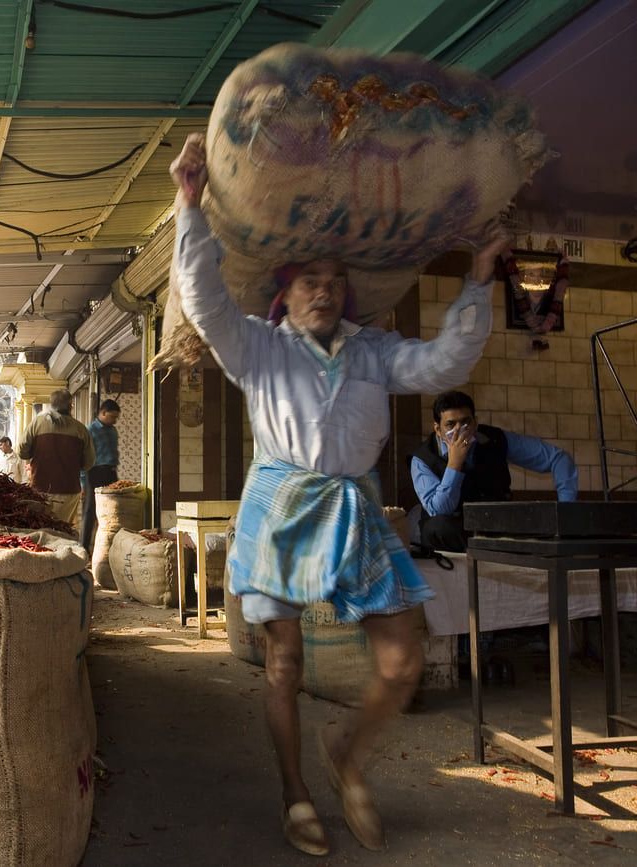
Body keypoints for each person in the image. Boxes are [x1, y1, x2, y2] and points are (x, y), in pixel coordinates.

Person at [170, 132, 507, 855]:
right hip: (281, 504)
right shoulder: (257, 348)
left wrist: (479, 277)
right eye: (307, 279)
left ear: (346, 292)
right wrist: (190, 202)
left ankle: (348, 753)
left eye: (333, 279)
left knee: (401, 661)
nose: (323, 288)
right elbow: (202, 298)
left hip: (353, 505)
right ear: (284, 293)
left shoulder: (374, 350)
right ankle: (296, 792)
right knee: (284, 663)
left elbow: (445, 358)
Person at [410, 390, 578, 553]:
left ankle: (500, 547)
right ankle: (497, 549)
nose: (459, 430)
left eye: (466, 422)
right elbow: (440, 510)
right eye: (450, 424)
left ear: (475, 423)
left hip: (495, 524)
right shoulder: (422, 459)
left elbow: (559, 459)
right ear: (438, 429)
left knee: (535, 520)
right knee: (438, 528)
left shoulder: (495, 438)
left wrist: (566, 512)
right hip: (455, 528)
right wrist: (455, 463)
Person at [19, 389, 95, 527]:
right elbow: (88, 463)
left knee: (40, 527)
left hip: (40, 489)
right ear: (70, 405)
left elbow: (22, 452)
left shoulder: (37, 423)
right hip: (69, 491)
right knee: (62, 529)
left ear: (51, 404)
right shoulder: (81, 429)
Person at [80, 399, 121, 551]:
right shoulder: (90, 430)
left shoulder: (112, 430)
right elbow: (83, 458)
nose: (114, 420)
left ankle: (108, 549)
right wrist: (83, 483)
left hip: (111, 473)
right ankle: (83, 549)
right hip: (94, 473)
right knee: (90, 511)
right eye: (112, 417)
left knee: (112, 511)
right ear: (103, 413)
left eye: (116, 417)